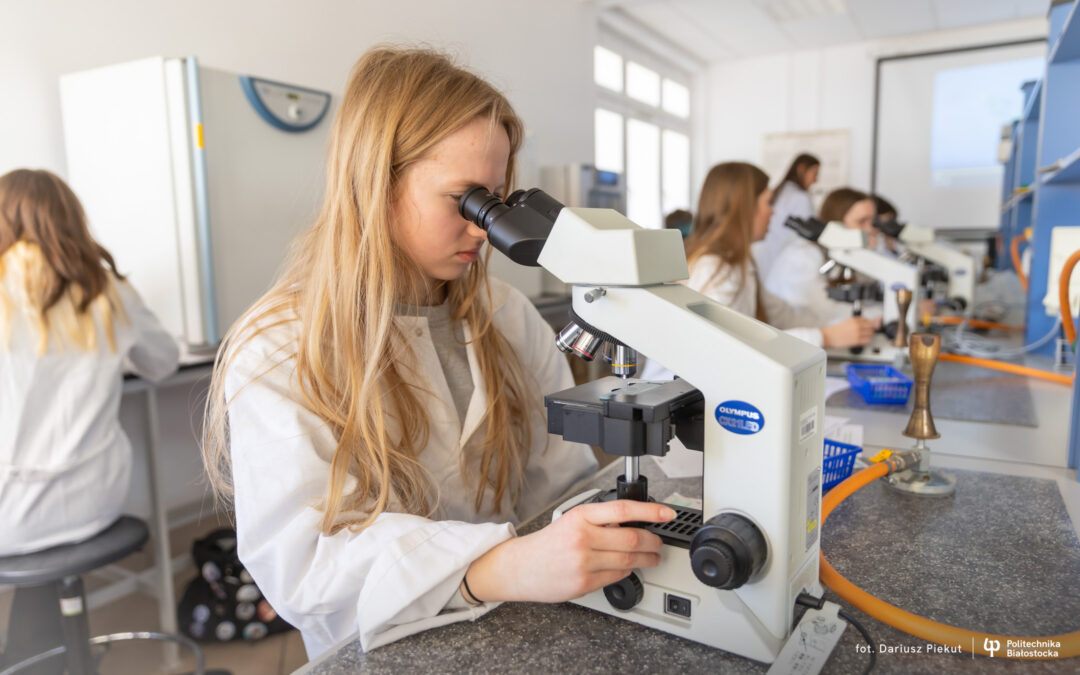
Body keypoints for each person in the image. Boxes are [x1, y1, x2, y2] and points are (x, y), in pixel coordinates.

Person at [202, 47, 675, 660]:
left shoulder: (507, 314)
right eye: (466, 199)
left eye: (497, 199)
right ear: (377, 183)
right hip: (382, 649)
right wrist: (497, 566)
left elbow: (559, 483)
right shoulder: (280, 345)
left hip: (522, 626)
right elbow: (306, 565)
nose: (486, 227)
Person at [0, 168, 178, 671]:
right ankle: (48, 656)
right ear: (71, 221)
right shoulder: (106, 291)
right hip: (91, 505)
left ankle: (36, 658)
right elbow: (162, 362)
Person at [640, 163, 877, 380]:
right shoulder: (714, 267)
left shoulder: (738, 262)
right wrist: (826, 337)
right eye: (768, 203)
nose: (773, 212)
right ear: (744, 209)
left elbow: (779, 315)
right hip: (671, 397)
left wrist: (848, 326)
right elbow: (736, 350)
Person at [765, 186, 880, 326]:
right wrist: (882, 314)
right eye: (861, 222)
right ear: (837, 224)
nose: (870, 229)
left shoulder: (847, 256)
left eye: (872, 222)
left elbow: (868, 291)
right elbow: (825, 312)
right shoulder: (803, 256)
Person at [753, 153, 819, 283]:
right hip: (783, 260)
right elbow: (808, 236)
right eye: (815, 173)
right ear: (801, 169)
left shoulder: (783, 191)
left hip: (768, 257)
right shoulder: (800, 197)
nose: (816, 180)